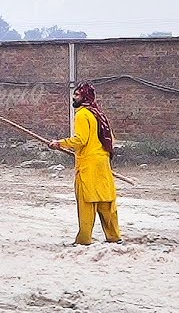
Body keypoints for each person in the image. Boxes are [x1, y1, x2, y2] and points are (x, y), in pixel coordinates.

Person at [48, 82, 122, 245]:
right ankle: (114, 237)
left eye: (77, 95)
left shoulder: (82, 114)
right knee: (106, 202)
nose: (73, 98)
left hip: (88, 165)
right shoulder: (99, 114)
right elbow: (111, 139)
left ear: (84, 97)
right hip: (103, 164)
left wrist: (59, 143)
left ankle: (84, 240)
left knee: (87, 203)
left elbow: (80, 140)